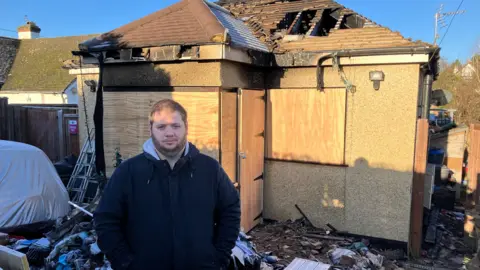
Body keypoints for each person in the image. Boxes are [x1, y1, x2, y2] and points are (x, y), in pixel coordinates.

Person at [94, 99, 241, 270]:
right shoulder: (128, 172)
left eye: (175, 126)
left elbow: (230, 210)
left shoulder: (209, 169)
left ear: (186, 126)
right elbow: (105, 219)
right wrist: (125, 262)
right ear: (151, 129)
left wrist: (219, 257)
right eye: (161, 127)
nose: (169, 133)